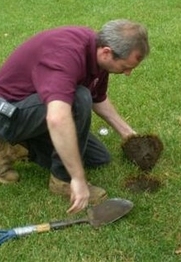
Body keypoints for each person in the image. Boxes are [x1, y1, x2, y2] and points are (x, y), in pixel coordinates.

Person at [0, 19, 150, 213]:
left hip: (31, 110)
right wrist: (77, 178)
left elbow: (98, 99)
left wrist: (128, 134)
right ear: (107, 52)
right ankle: (62, 181)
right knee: (79, 98)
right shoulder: (65, 56)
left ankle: (20, 145)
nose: (128, 73)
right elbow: (58, 117)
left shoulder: (97, 53)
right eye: (125, 66)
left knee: (98, 158)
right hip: (7, 115)